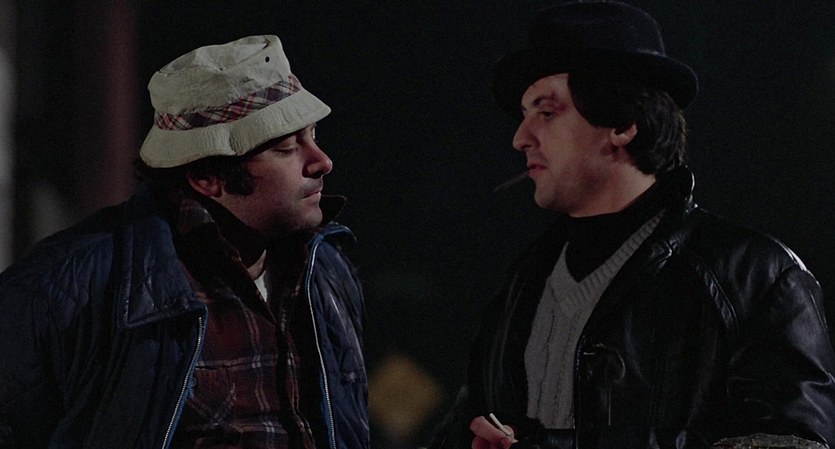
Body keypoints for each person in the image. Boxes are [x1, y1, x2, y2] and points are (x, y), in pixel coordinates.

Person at [429, 2, 835, 449]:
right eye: (524, 115)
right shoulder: (518, 287)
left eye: (546, 112)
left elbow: (794, 443)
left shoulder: (754, 278)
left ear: (623, 124)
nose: (520, 138)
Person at [0, 35, 369, 449]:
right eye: (285, 147)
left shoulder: (325, 271)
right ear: (207, 177)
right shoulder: (66, 289)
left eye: (313, 135)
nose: (321, 161)